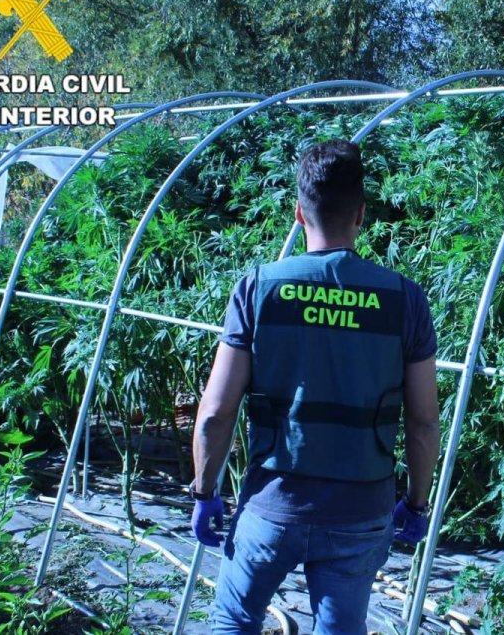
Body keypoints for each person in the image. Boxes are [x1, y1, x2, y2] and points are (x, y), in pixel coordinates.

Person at [189, 139, 441, 634]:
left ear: (299, 215)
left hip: (272, 504)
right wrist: (416, 502)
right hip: (361, 511)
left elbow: (216, 412)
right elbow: (424, 419)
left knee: (233, 621)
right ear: (361, 214)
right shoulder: (405, 301)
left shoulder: (258, 288)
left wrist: (205, 493)